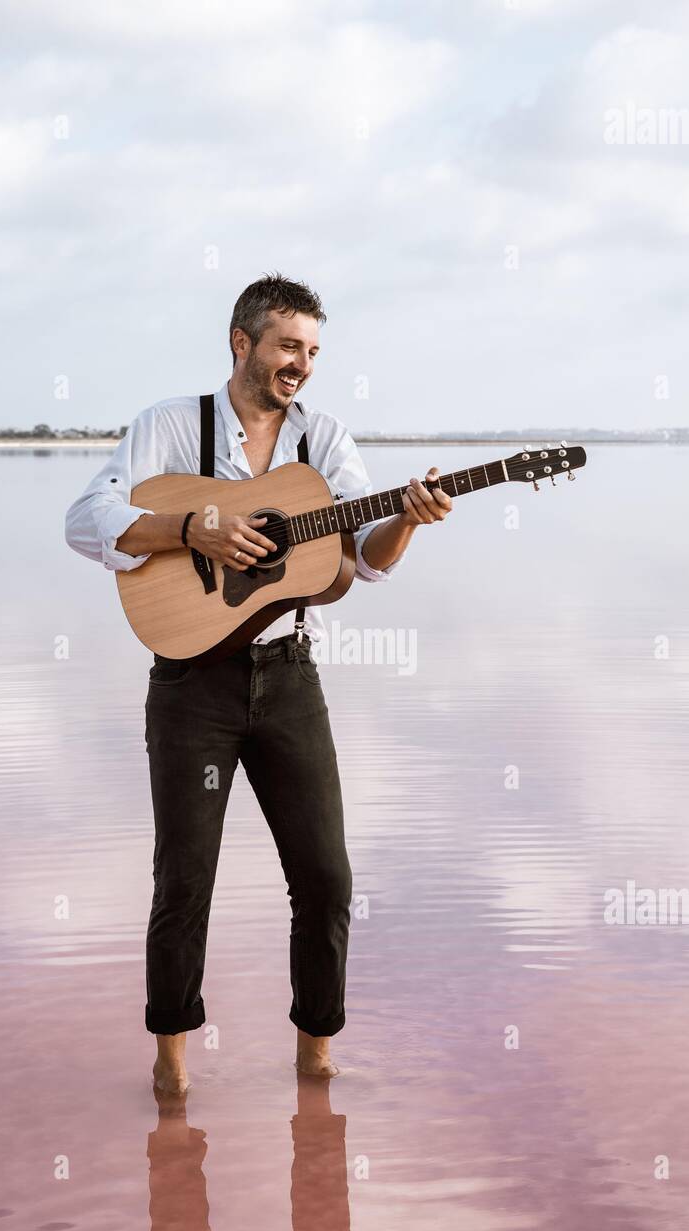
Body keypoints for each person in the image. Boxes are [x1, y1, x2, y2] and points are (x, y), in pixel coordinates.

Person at [65, 273, 452, 1092]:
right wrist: (190, 526)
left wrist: (405, 524)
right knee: (185, 879)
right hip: (190, 684)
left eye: (312, 351)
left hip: (286, 677)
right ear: (241, 344)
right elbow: (86, 519)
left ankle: (315, 1055)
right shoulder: (169, 426)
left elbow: (359, 562)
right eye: (287, 346)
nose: (300, 364)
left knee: (326, 876)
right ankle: (171, 1065)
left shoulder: (325, 442)